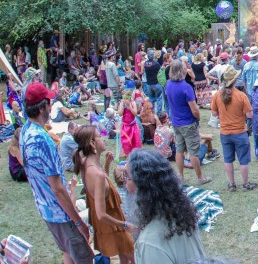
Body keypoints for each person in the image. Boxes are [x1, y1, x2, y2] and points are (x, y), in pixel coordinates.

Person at [19, 82, 94, 263]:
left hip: (46, 209)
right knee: (84, 258)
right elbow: (58, 189)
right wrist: (78, 222)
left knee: (68, 252)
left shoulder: (25, 131)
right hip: (61, 214)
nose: (51, 106)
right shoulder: (43, 140)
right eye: (48, 102)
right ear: (41, 108)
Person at [127, 148, 206, 263]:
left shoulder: (149, 243)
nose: (125, 184)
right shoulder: (182, 217)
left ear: (143, 189)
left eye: (127, 177)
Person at [72, 125, 136, 263]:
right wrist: (124, 224)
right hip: (114, 224)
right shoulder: (95, 173)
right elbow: (101, 214)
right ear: (92, 143)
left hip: (111, 224)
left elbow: (101, 189)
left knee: (126, 257)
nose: (104, 139)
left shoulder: (86, 164)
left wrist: (107, 164)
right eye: (100, 136)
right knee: (132, 258)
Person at [165, 59, 211, 186]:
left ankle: (180, 176)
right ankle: (200, 177)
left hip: (176, 122)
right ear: (182, 70)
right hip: (188, 123)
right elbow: (194, 109)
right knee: (193, 151)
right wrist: (198, 118)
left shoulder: (168, 84)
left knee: (179, 149)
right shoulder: (186, 87)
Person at [211, 66, 256, 192]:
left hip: (225, 132)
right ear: (235, 81)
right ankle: (245, 183)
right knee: (243, 160)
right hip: (240, 132)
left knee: (228, 159)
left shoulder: (217, 95)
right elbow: (250, 115)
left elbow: (214, 114)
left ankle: (231, 184)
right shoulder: (241, 96)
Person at [118, 89, 142, 158]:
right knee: (126, 141)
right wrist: (122, 106)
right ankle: (127, 153)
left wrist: (129, 106)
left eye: (126, 98)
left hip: (132, 125)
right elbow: (120, 114)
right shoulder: (122, 103)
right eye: (124, 98)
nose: (125, 100)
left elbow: (135, 113)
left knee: (135, 140)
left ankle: (135, 153)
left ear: (130, 97)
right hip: (125, 126)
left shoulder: (133, 102)